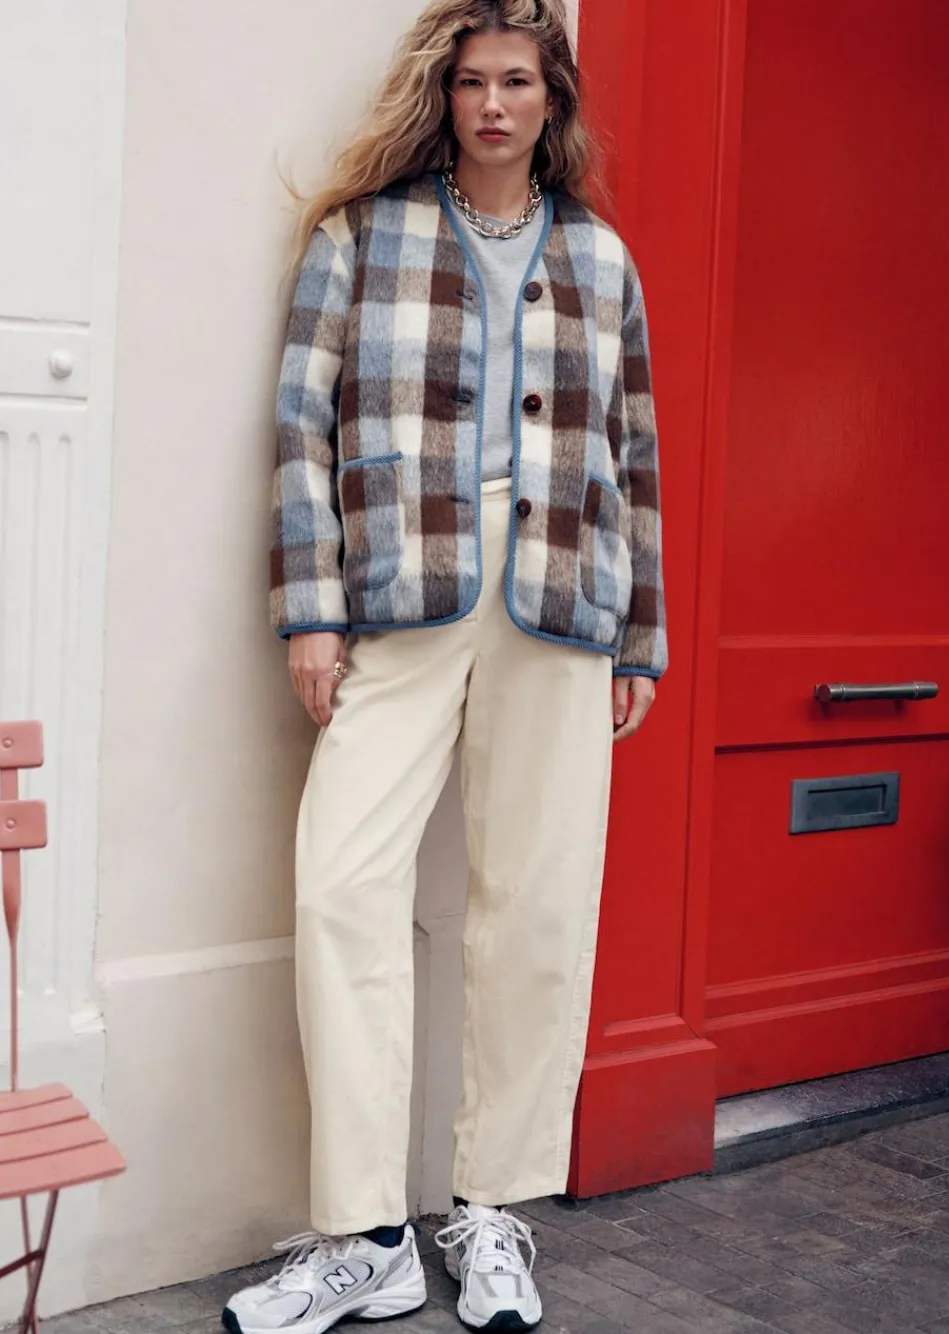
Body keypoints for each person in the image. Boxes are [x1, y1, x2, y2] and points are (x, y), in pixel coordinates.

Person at [224, 1, 666, 1330]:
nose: (492, 105)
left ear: (551, 99)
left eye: (516, 82)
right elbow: (300, 428)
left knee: (536, 906)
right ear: (445, 95)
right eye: (472, 82)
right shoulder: (361, 238)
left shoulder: (602, 259)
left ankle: (492, 1212)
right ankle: (367, 1233)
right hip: (402, 591)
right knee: (342, 885)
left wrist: (638, 632)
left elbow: (635, 453)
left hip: (561, 597)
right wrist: (311, 610)